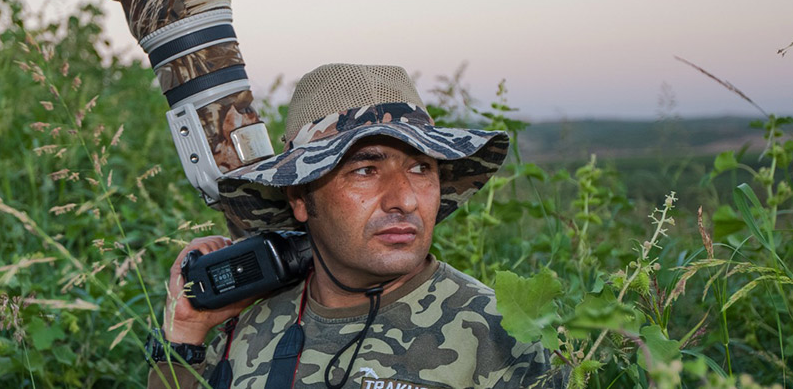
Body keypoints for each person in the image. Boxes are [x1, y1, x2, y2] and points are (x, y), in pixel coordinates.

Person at [146, 63, 567, 388]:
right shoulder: (249, 326)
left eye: (421, 168)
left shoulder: (503, 335)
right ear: (300, 198)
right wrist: (184, 335)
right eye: (365, 170)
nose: (405, 199)